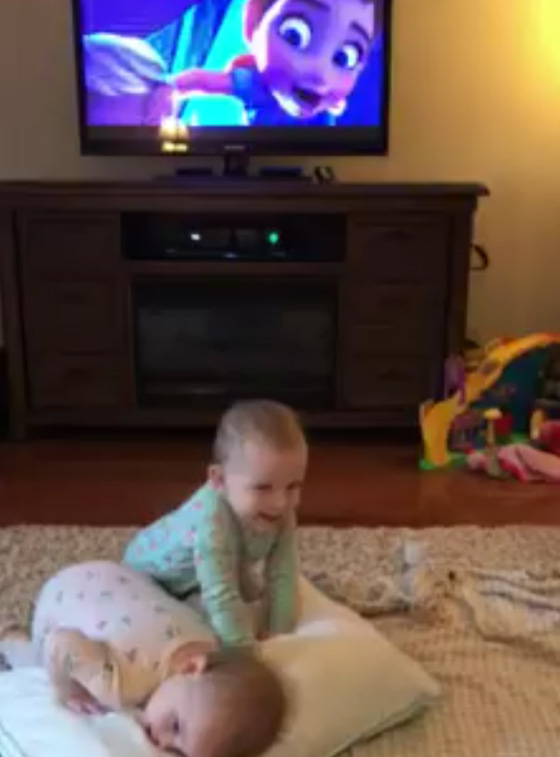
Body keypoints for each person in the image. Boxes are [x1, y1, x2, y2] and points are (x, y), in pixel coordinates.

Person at [0, 560, 287, 757]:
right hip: (58, 598)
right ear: (191, 667)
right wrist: (69, 690)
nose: (161, 742)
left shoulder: (209, 639)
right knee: (38, 669)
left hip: (116, 574)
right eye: (175, 726)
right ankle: (8, 636)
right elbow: (59, 643)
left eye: (177, 752)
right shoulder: (122, 684)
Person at [124, 399, 307, 647]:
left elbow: (283, 574)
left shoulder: (282, 511)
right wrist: (244, 651)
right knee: (184, 629)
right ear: (219, 480)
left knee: (252, 592)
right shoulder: (211, 519)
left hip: (218, 565)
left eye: (293, 486)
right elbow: (220, 595)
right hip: (151, 575)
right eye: (263, 487)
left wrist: (280, 636)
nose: (280, 502)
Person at [170, 0, 378, 125]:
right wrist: (165, 90)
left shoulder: (326, 101)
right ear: (253, 21)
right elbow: (202, 82)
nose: (320, 74)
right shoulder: (255, 85)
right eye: (294, 35)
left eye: (344, 58)